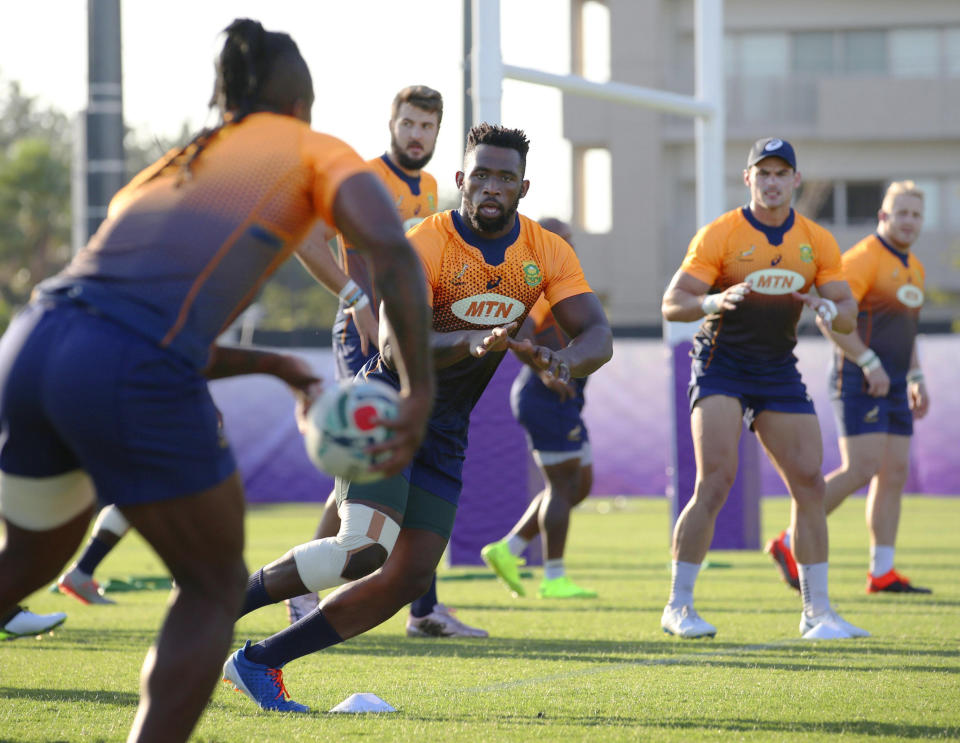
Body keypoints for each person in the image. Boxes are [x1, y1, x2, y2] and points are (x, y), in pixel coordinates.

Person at [0, 18, 433, 743]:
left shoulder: (169, 166)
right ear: (301, 105)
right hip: (123, 358)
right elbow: (391, 251)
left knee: (27, 560)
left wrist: (275, 364)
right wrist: (417, 394)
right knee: (211, 586)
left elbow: (122, 313)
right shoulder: (311, 147)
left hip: (34, 343)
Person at [222, 123, 614, 712]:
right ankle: (218, 601)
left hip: (447, 428)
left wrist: (563, 360)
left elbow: (599, 335)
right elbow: (391, 340)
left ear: (522, 187)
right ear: (460, 180)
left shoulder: (545, 251)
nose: (490, 186)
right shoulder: (424, 240)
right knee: (363, 550)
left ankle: (257, 663)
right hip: (387, 405)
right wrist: (467, 342)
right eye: (480, 174)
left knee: (407, 578)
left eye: (504, 178)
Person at [285, 86, 488, 639]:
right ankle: (308, 583)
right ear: (391, 124)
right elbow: (306, 239)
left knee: (398, 457)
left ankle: (421, 609)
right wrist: (357, 302)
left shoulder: (427, 187)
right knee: (369, 458)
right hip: (364, 334)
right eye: (409, 123)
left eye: (427, 126)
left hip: (405, 337)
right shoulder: (364, 177)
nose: (417, 134)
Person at [659, 136, 869, 641]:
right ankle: (678, 606)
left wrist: (830, 310)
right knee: (715, 481)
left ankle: (817, 613)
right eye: (764, 173)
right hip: (721, 364)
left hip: (777, 368)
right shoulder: (722, 234)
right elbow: (673, 302)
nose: (773, 182)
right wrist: (714, 301)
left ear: (795, 180)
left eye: (782, 173)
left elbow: (846, 309)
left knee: (811, 484)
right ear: (748, 179)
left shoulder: (815, 240)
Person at [765, 180, 931, 594]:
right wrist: (868, 361)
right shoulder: (862, 259)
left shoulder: (915, 268)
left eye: (916, 214)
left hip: (893, 382)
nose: (908, 221)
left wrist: (916, 376)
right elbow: (828, 318)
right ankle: (790, 540)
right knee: (862, 467)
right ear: (883, 216)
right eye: (901, 212)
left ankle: (882, 572)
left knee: (894, 472)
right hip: (858, 376)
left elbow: (904, 332)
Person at [481, 217, 597, 599]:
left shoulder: (564, 282)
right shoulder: (540, 287)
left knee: (578, 486)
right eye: (564, 241)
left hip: (564, 399)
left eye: (571, 240)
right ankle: (554, 576)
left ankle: (509, 549)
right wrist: (546, 371)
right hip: (545, 397)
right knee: (563, 486)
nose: (571, 247)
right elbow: (521, 334)